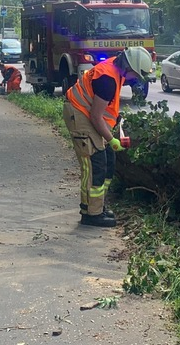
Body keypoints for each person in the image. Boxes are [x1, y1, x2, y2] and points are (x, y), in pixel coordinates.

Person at [62, 46, 155, 227]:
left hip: (87, 113)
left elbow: (103, 107)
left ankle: (98, 206)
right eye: (135, 75)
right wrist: (111, 140)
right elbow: (96, 117)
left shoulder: (116, 68)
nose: (135, 79)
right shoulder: (107, 80)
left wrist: (114, 118)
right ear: (129, 67)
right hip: (79, 113)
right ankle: (91, 214)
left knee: (108, 161)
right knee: (94, 164)